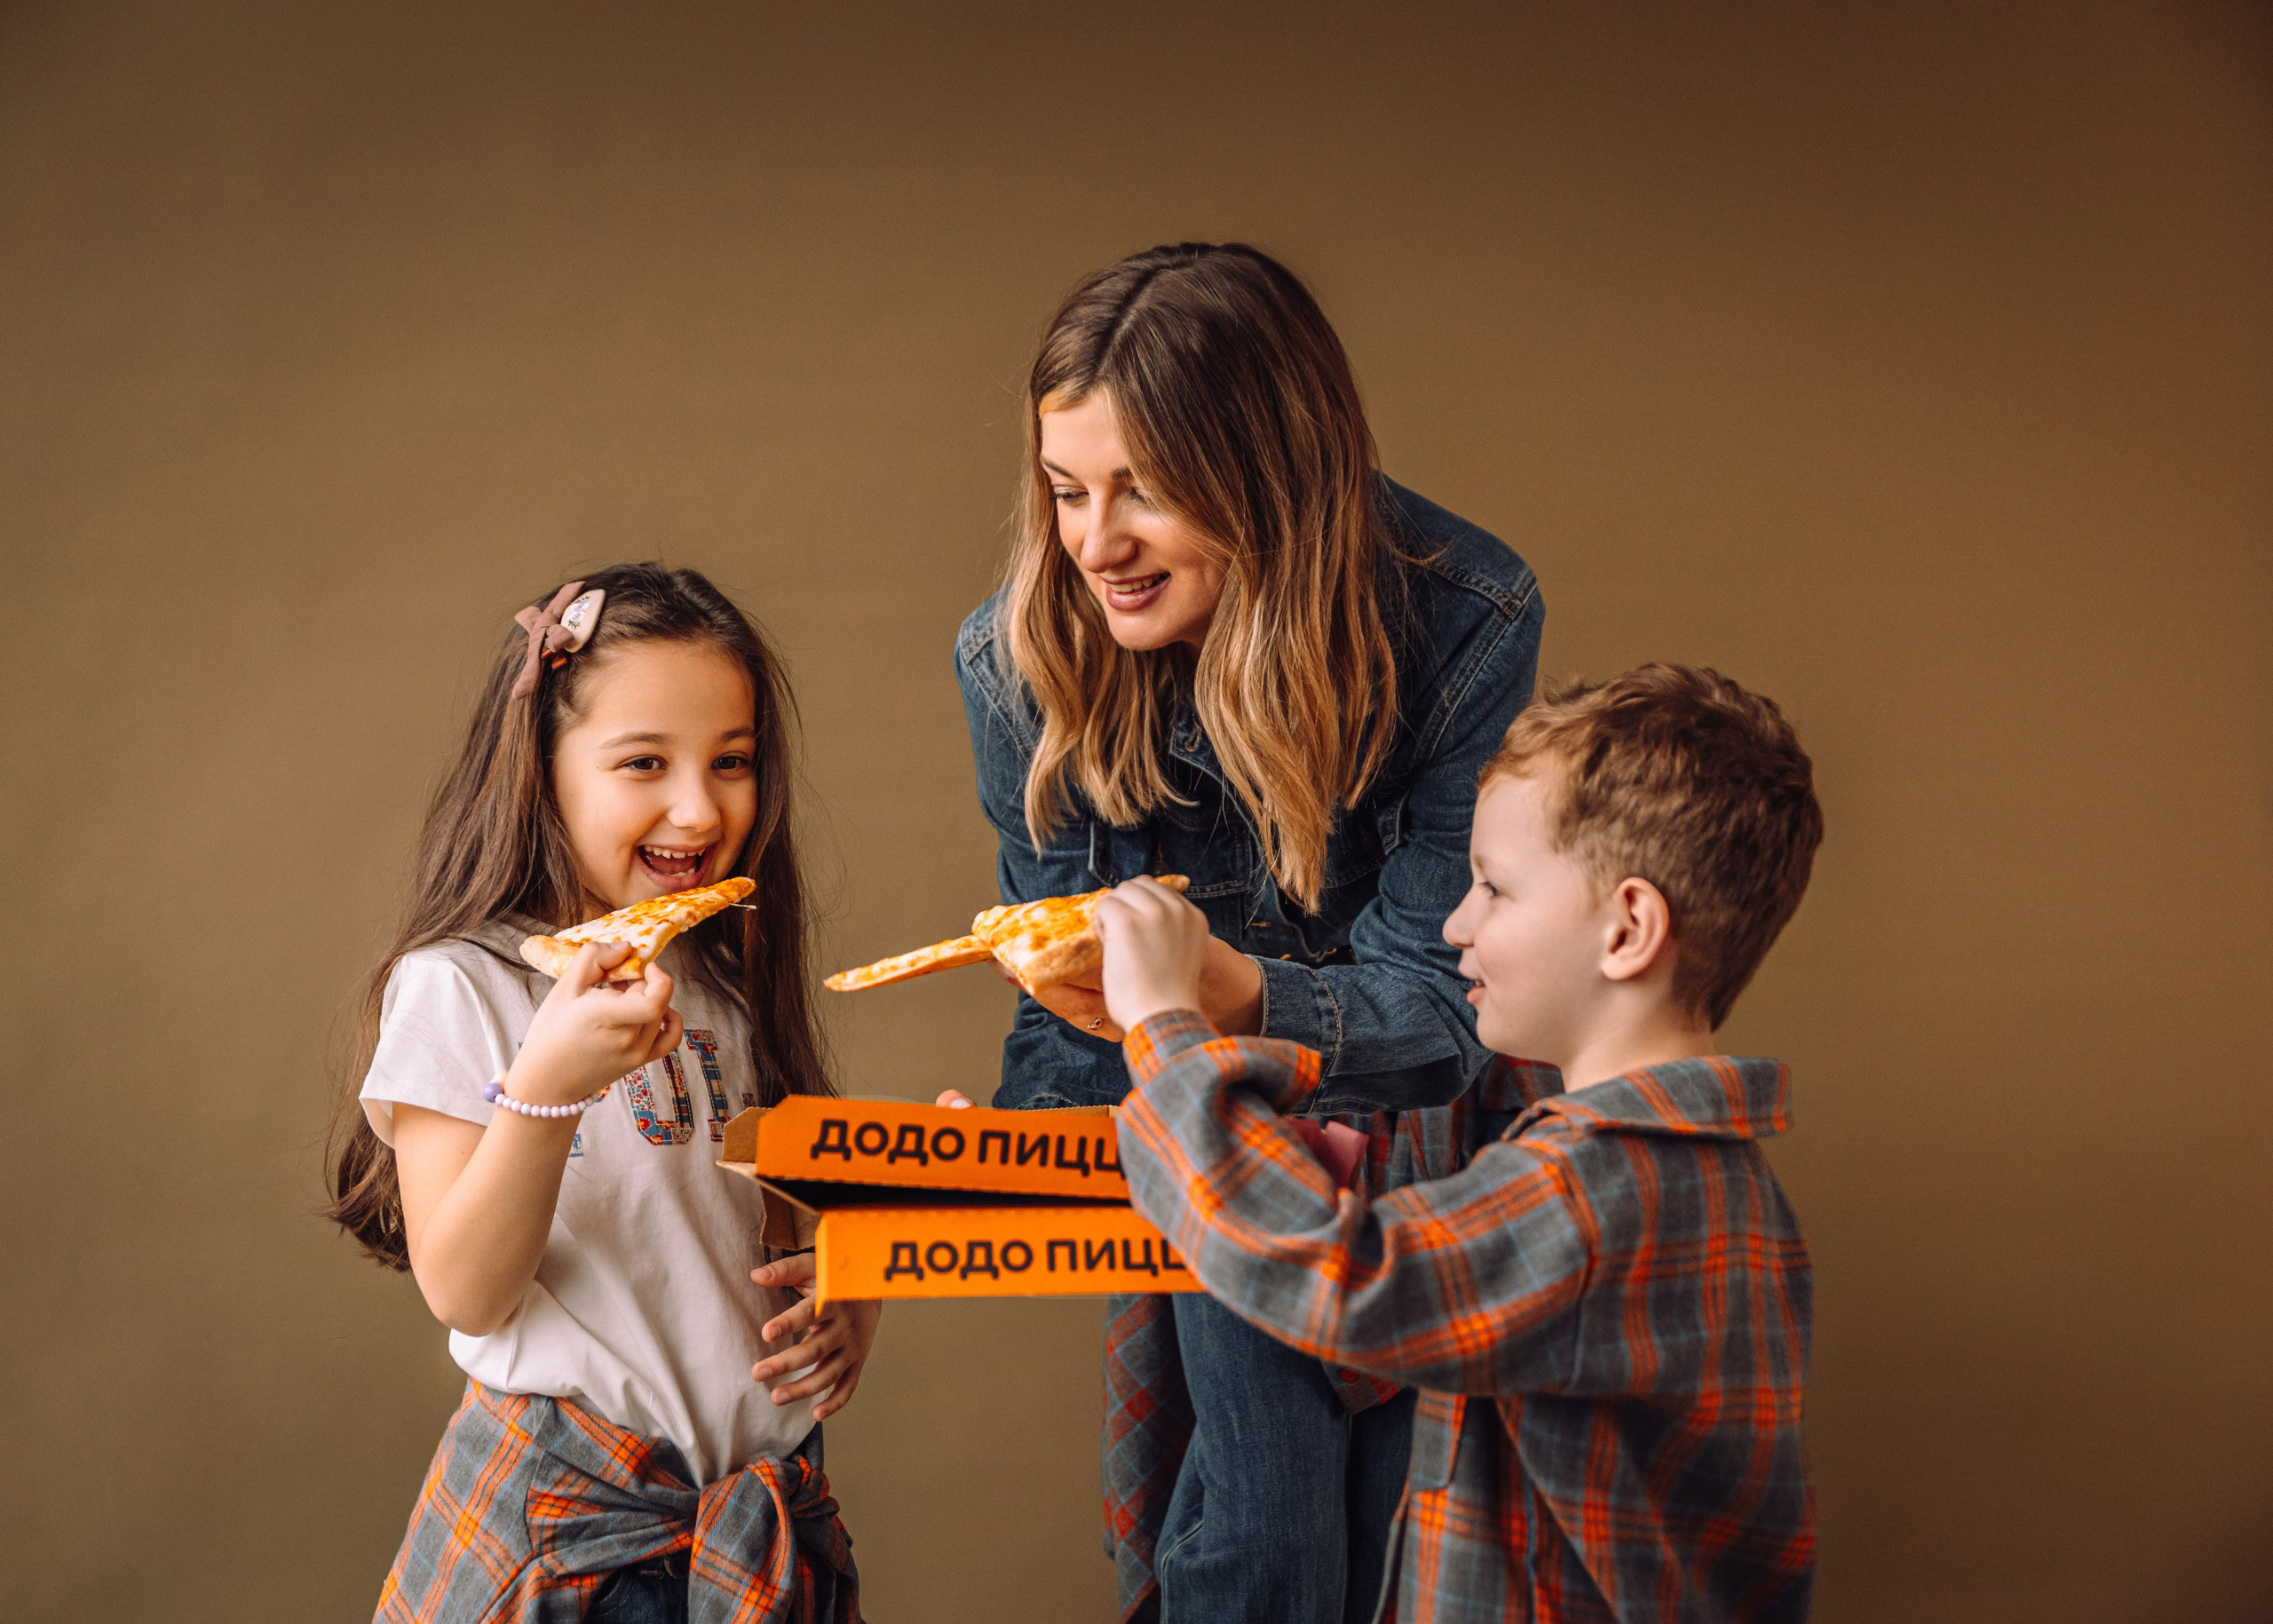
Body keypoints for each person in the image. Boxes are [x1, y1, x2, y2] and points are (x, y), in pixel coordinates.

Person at [953, 242, 1544, 1621]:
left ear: (1267, 478)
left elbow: (1443, 1017)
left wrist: (1222, 993)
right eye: (1064, 491)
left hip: (1421, 1149)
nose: (1093, 544)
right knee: (1247, 1538)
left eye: (1142, 490)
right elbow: (1062, 999)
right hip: (1193, 1129)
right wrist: (999, 1154)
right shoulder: (1016, 657)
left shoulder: (1466, 618)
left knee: (1408, 1553)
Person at [1097, 663, 1824, 1623]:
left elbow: (1339, 1282)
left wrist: (1164, 1024)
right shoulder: (1723, 1186)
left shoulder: (1593, 1187)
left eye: (1493, 888)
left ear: (1628, 929)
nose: (1453, 925)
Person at [326, 563, 873, 1624]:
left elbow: (757, 1250)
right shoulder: (459, 985)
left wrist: (862, 1275)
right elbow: (467, 1291)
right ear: (543, 770)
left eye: (732, 760)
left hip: (750, 1532)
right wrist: (546, 1085)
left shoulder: (718, 985)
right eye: (643, 762)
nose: (697, 805)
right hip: (580, 1542)